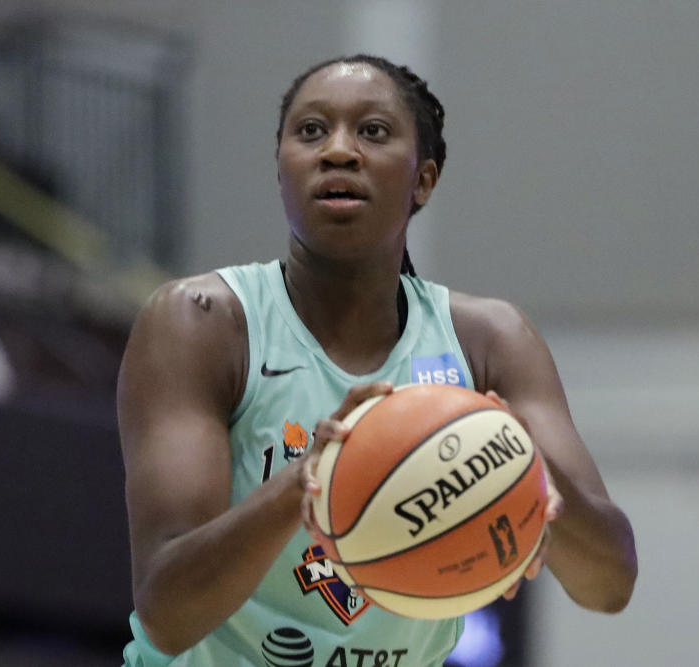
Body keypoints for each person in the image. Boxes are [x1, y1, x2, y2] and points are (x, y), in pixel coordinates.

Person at [117, 54, 637, 666]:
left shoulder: (490, 340)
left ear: (423, 181)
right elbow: (167, 611)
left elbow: (609, 585)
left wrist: (527, 469)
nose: (338, 151)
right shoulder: (201, 322)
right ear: (280, 170)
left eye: (373, 131)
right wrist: (305, 483)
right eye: (310, 131)